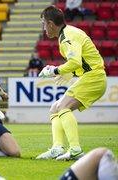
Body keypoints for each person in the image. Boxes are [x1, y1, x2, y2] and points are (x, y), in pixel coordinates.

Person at [36, 6, 107, 161]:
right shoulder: (69, 33)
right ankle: (57, 148)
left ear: (51, 24)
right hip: (91, 75)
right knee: (55, 108)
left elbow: (74, 61)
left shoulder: (67, 36)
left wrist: (55, 71)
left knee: (63, 107)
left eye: (43, 24)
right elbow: (81, 61)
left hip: (94, 77)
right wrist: (70, 73)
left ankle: (75, 149)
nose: (43, 28)